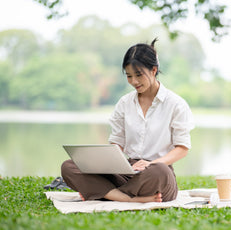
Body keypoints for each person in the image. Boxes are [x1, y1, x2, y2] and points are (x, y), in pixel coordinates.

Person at [61, 38, 194, 203]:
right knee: (69, 166)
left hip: (157, 174)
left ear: (153, 70)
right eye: (129, 76)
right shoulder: (124, 103)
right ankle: (128, 198)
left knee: (159, 171)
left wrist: (150, 164)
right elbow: (117, 142)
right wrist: (111, 163)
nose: (134, 82)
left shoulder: (176, 104)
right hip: (127, 171)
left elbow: (182, 148)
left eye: (139, 75)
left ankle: (102, 193)